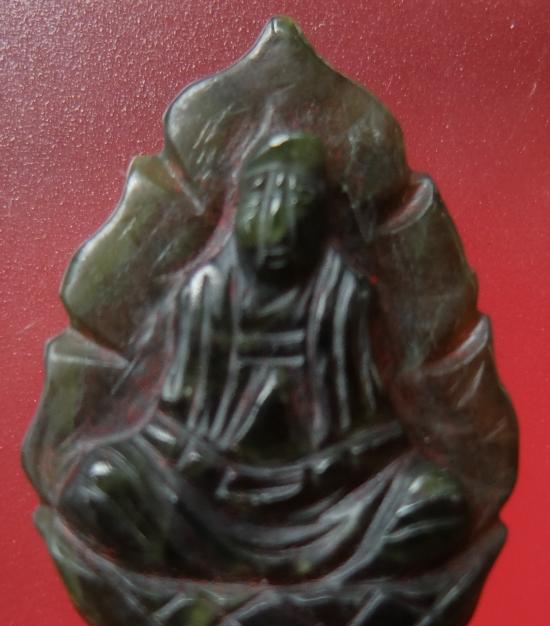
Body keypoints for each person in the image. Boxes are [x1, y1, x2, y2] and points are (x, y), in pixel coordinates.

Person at [59, 132, 474, 582]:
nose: (278, 219)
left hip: (327, 504)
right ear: (237, 210)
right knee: (97, 485)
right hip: (204, 498)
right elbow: (170, 420)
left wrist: (332, 466)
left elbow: (375, 432)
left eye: (298, 200)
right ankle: (286, 579)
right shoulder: (206, 296)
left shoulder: (343, 300)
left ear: (323, 220)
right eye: (261, 195)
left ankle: (244, 575)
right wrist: (198, 461)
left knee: (434, 503)